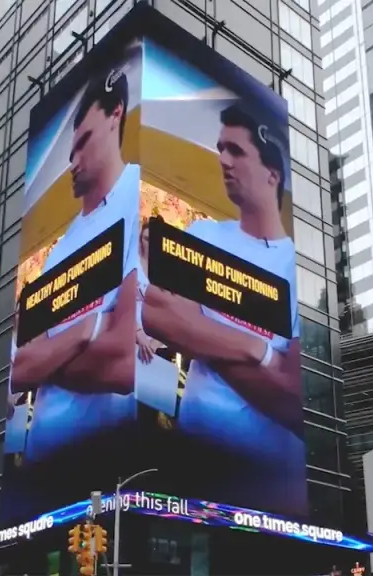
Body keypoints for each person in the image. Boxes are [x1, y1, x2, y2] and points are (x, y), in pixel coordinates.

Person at [141, 103, 304, 510]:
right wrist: (259, 350)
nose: (223, 161)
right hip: (193, 459)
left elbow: (292, 396)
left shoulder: (296, 266)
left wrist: (198, 331)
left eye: (236, 150)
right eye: (220, 148)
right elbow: (159, 313)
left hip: (268, 480)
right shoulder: (204, 235)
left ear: (273, 173)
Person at [9, 61, 141, 464]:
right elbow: (19, 370)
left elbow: (122, 363)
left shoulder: (137, 197)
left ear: (116, 113)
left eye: (82, 142)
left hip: (107, 459)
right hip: (40, 467)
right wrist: (85, 331)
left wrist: (49, 357)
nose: (72, 159)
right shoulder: (58, 252)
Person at [135, 218, 163, 364]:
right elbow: (122, 301)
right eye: (146, 238)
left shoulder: (168, 270)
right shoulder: (132, 263)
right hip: (133, 336)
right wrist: (139, 335)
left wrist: (155, 344)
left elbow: (174, 311)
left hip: (160, 344)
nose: (149, 244)